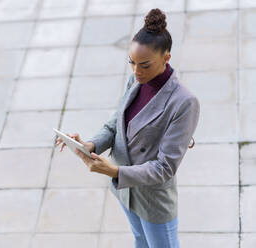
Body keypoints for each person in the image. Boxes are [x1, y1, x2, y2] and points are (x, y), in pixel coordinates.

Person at [55, 8, 200, 248]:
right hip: (127, 193)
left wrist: (115, 173)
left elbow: (165, 167)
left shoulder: (184, 102)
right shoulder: (136, 80)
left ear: (166, 58)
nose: (136, 71)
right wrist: (91, 145)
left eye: (144, 65)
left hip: (153, 200)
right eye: (131, 63)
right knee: (140, 241)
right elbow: (117, 123)